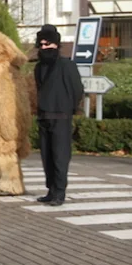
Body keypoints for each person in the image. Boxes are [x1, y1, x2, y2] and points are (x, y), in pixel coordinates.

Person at [34, 24, 84, 206]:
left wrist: (69, 108)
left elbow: (77, 89)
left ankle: (60, 192)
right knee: (47, 156)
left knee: (60, 156)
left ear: (56, 44)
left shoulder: (67, 65)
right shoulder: (39, 67)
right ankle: (51, 190)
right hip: (44, 117)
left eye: (47, 44)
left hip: (61, 117)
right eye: (41, 45)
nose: (44, 48)